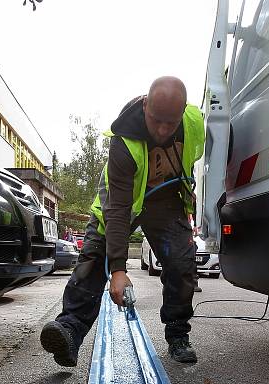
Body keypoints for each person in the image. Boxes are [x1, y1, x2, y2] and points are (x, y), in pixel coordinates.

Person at [40, 76, 204, 367]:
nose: (164, 131)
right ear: (145, 106)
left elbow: (196, 156)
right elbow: (118, 209)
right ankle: (69, 330)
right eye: (156, 121)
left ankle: (178, 334)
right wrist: (117, 269)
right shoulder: (123, 142)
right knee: (92, 259)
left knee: (182, 263)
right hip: (120, 203)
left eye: (171, 122)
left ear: (183, 113)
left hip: (165, 202)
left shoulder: (193, 122)